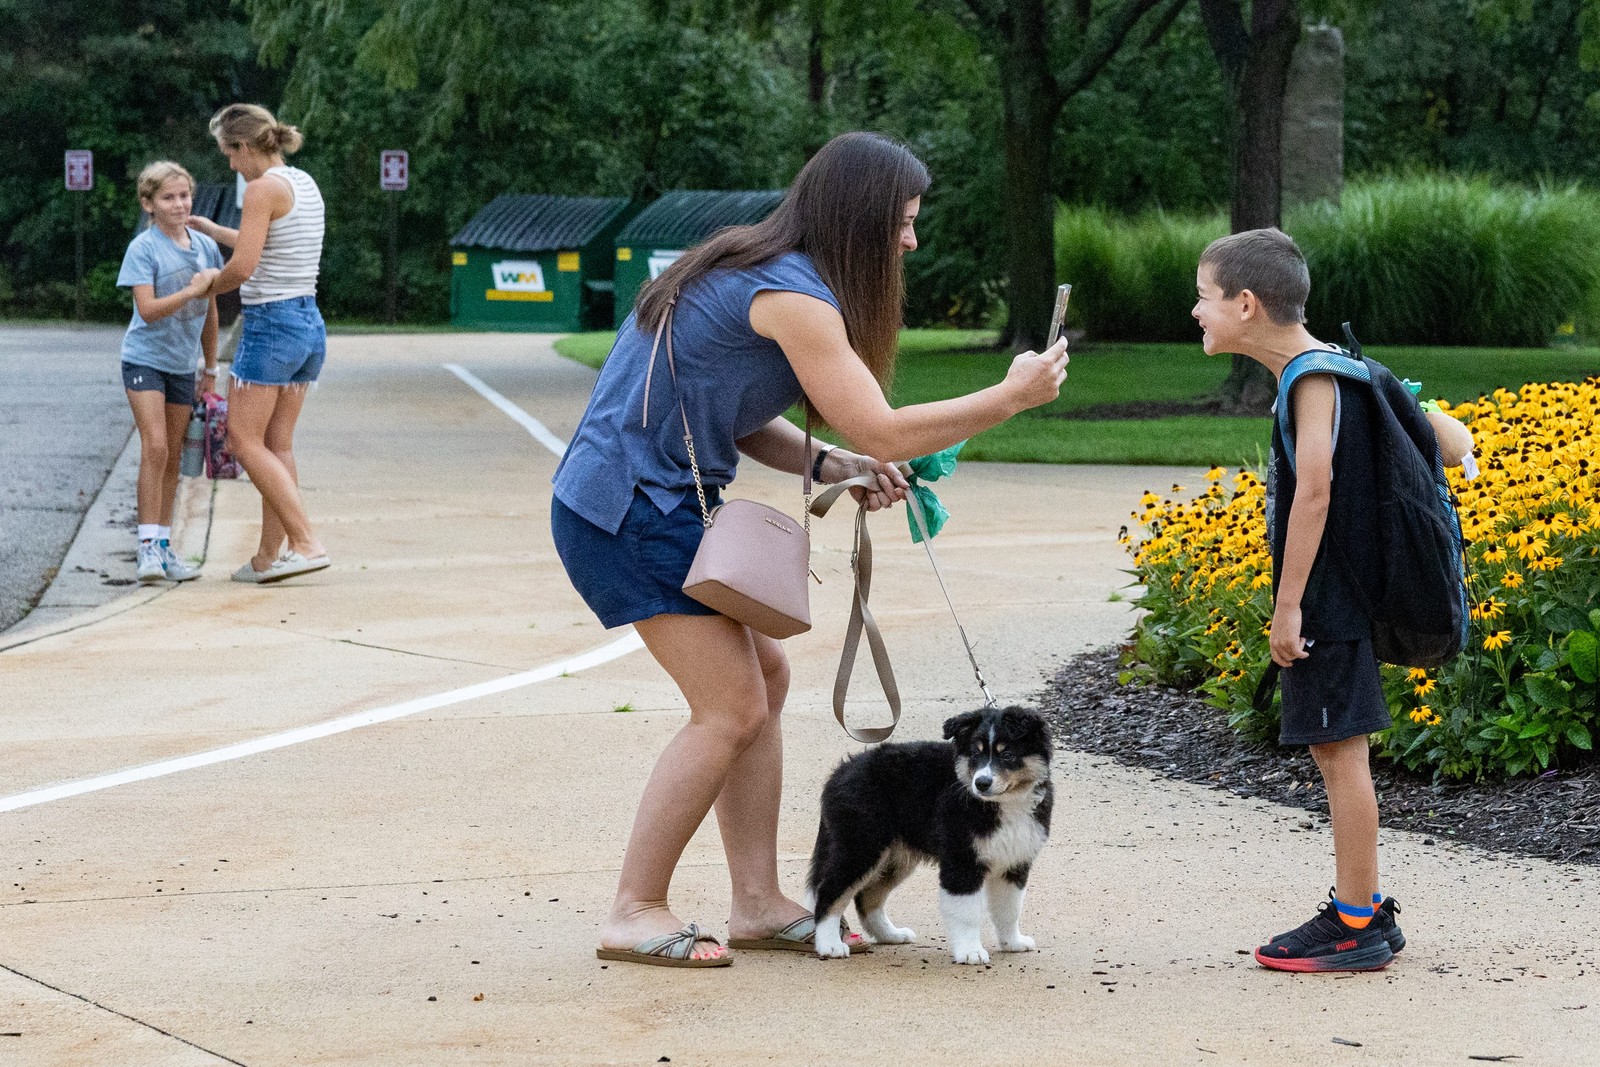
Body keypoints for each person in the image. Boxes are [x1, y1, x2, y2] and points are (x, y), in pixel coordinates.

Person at [551, 131, 1069, 967]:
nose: (910, 240)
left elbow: (733, 409)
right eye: (902, 222)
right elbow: (881, 425)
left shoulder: (757, 270)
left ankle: (756, 901)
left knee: (766, 678)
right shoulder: (793, 294)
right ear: (862, 218)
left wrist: (829, 463)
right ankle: (633, 908)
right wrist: (1009, 398)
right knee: (730, 706)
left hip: (650, 501)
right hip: (629, 511)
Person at [1191, 228, 1404, 972]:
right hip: (1343, 597)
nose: (1197, 311)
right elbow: (1439, 433)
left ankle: (1356, 923)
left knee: (1341, 753)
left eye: (1205, 296)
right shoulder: (1341, 368)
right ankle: (1366, 905)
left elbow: (1314, 489)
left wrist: (1289, 608)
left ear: (1247, 304)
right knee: (1336, 748)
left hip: (1327, 604)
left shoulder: (1312, 380)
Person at [187, 103, 330, 584]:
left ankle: (306, 543)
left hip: (271, 325)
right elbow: (265, 242)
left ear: (245, 147)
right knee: (276, 443)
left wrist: (205, 286)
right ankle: (270, 557)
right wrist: (212, 230)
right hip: (307, 324)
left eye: (229, 153)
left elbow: (244, 267)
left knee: (242, 441)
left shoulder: (262, 189)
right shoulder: (300, 182)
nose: (229, 165)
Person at [116, 161, 224, 584]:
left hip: (183, 365)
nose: (179, 204)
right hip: (145, 359)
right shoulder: (143, 249)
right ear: (149, 204)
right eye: (168, 197)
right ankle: (145, 549)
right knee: (156, 446)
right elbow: (148, 309)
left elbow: (210, 311)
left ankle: (164, 547)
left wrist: (210, 367)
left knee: (175, 456)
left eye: (184, 196)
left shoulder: (205, 247)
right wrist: (191, 290)